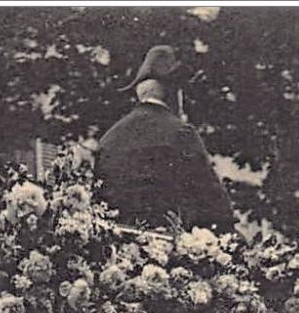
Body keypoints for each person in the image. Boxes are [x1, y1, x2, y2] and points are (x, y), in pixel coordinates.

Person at [95, 44, 234, 232]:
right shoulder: (180, 132)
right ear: (174, 94)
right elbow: (214, 202)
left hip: (117, 249)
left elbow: (99, 199)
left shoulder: (108, 138)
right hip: (170, 247)